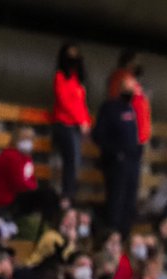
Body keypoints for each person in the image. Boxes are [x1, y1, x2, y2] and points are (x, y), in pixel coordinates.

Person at [92, 77, 142, 236]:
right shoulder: (109, 108)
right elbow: (97, 135)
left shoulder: (132, 109)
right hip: (116, 163)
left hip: (132, 162)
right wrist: (115, 153)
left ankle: (125, 235)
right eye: (128, 88)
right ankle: (112, 234)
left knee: (130, 201)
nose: (131, 92)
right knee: (116, 200)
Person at [52, 42, 91, 204]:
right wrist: (80, 120)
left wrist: (86, 121)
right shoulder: (60, 77)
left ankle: (70, 194)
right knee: (70, 161)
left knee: (75, 162)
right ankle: (66, 196)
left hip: (76, 126)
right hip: (65, 124)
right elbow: (64, 102)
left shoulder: (78, 81)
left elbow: (81, 104)